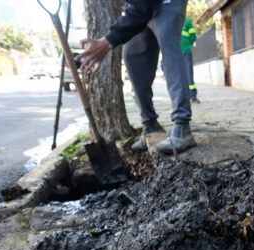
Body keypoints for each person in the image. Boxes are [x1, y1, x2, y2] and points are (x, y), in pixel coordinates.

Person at [79, 0, 196, 154]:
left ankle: (182, 127)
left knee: (168, 41)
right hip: (142, 6)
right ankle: (150, 124)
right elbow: (140, 9)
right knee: (131, 55)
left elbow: (142, 8)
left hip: (168, 3)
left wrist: (107, 42)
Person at [181, 17, 200, 104]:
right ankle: (190, 97)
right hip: (180, 52)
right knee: (187, 73)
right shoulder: (186, 21)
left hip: (183, 51)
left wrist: (190, 43)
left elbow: (193, 36)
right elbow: (192, 37)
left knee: (187, 74)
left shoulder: (187, 21)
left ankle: (191, 96)